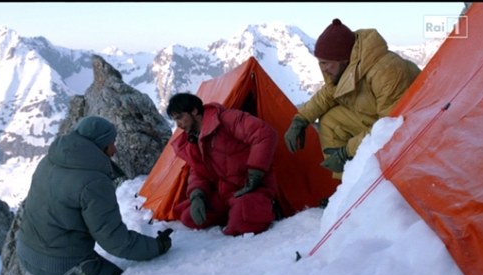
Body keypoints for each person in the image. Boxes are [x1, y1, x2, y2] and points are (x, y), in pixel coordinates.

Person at [17, 116, 173, 275]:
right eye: (112, 143)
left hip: (26, 250)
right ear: (100, 144)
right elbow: (114, 240)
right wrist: (156, 247)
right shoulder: (93, 182)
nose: (115, 149)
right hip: (60, 263)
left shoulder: (50, 160)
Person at [284, 18, 421, 180]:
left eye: (326, 63)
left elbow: (390, 127)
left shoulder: (386, 72)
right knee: (330, 121)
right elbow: (328, 94)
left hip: (410, 129)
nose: (323, 69)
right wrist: (300, 119)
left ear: (342, 60)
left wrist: (347, 151)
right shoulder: (344, 68)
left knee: (355, 137)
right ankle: (345, 187)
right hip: (375, 117)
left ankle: (364, 186)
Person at [167, 93, 279, 236]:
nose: (178, 124)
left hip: (250, 187)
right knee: (189, 217)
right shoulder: (193, 139)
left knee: (241, 223)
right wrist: (197, 196)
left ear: (194, 111)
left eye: (180, 117)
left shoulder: (226, 119)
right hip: (224, 193)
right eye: (175, 120)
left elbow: (265, 134)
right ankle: (233, 212)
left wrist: (255, 174)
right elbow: (198, 171)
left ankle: (264, 209)